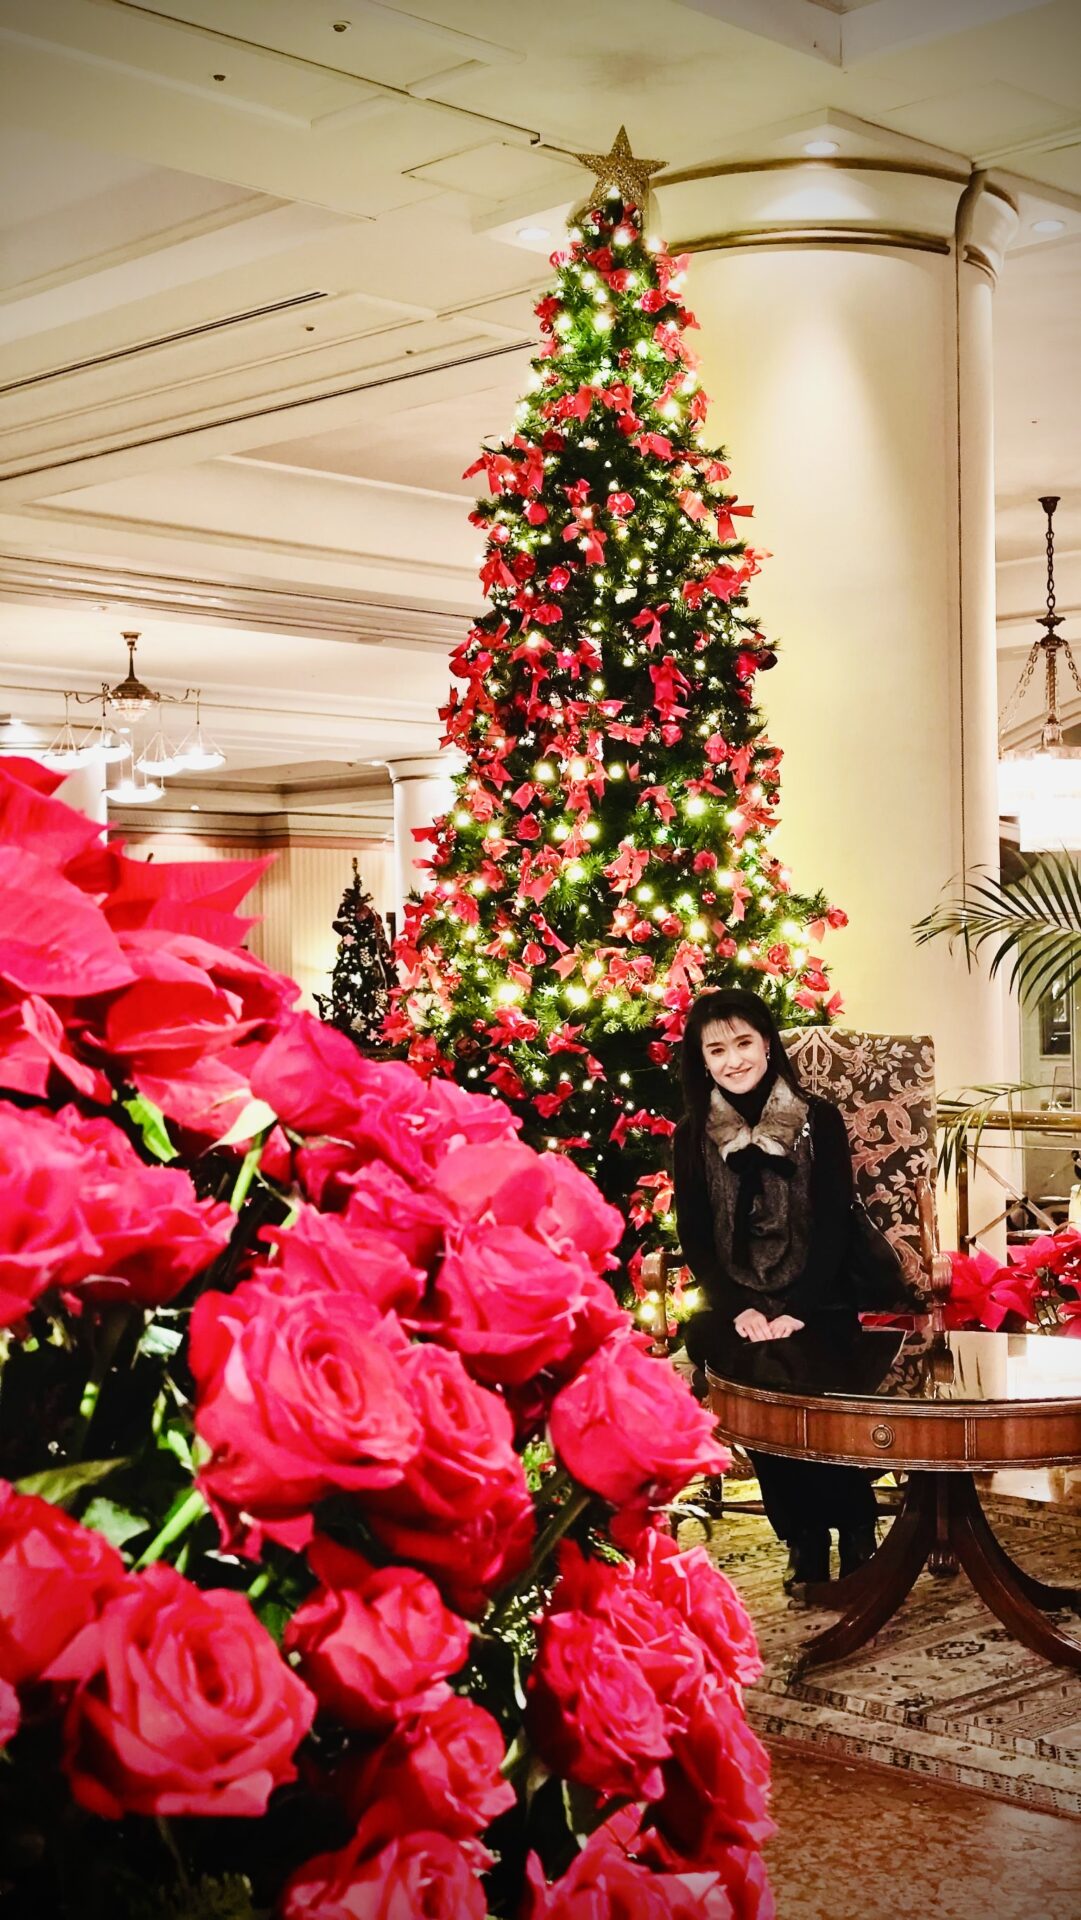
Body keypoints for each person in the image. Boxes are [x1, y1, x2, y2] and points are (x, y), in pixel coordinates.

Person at [672, 985, 880, 1588]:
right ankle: (803, 1535)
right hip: (735, 1305)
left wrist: (798, 1309)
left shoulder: (818, 1120)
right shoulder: (692, 1134)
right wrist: (741, 1309)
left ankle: (856, 1526)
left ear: (766, 1044)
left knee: (812, 1380)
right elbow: (695, 1236)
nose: (733, 1060)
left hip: (819, 1296)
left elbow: (836, 1224)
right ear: (702, 1060)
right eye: (717, 1050)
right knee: (756, 1387)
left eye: (743, 1043)